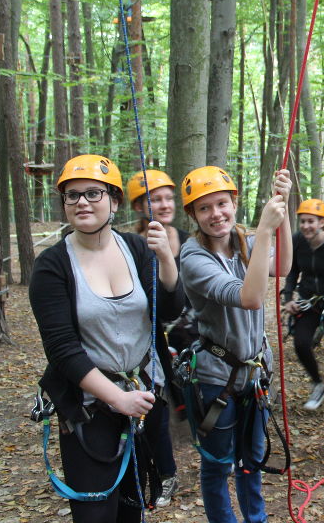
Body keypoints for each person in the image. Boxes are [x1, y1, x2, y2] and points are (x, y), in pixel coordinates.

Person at [30, 155, 183, 523]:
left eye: (93, 193)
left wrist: (165, 258)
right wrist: (118, 398)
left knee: (133, 507)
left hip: (142, 397)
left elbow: (171, 310)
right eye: (72, 196)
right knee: (96, 512)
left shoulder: (135, 247)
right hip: (90, 406)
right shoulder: (52, 266)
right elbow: (63, 349)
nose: (81, 202)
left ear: (114, 201)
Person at [178, 165, 291, 523]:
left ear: (234, 202)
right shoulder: (193, 258)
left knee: (251, 460)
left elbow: (283, 265)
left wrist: (282, 207)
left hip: (254, 371)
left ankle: (255, 519)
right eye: (205, 208)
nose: (216, 214)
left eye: (222, 204)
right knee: (218, 464)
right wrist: (266, 229)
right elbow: (251, 297)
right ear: (193, 215)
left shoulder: (245, 240)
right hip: (216, 376)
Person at [126, 169, 187, 507]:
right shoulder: (131, 245)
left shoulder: (187, 239)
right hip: (150, 337)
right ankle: (163, 473)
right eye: (154, 199)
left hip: (186, 327)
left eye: (167, 198)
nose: (164, 205)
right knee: (154, 408)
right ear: (139, 207)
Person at [281, 198, 324, 411]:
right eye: (303, 221)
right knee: (301, 343)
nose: (306, 226)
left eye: (311, 221)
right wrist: (288, 298)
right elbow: (292, 270)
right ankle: (318, 383)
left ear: (322, 222)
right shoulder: (298, 241)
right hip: (308, 301)